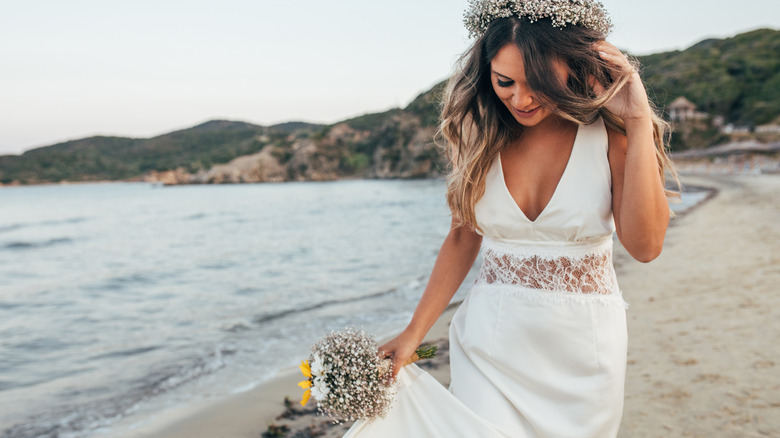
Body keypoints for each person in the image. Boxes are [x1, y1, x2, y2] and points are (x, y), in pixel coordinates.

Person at [345, 0, 677, 436]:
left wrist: (636, 122)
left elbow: (646, 247)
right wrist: (414, 333)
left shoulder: (611, 139)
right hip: (490, 342)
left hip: (584, 354)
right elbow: (463, 240)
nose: (520, 98)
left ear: (573, 67)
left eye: (538, 82)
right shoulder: (477, 137)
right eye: (505, 82)